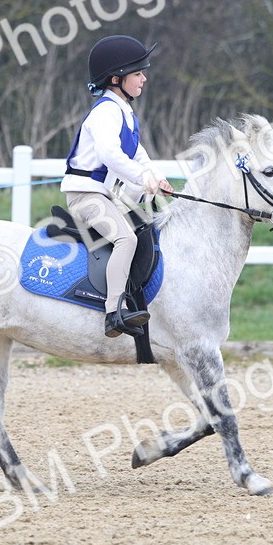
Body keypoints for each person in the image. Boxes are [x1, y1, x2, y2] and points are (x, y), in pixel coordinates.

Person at [62, 35, 174, 338]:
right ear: (116, 78)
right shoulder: (105, 112)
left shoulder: (124, 112)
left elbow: (139, 155)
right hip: (86, 195)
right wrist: (141, 178)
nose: (144, 79)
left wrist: (157, 178)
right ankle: (114, 312)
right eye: (138, 73)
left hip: (105, 195)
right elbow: (110, 155)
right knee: (126, 239)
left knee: (144, 229)